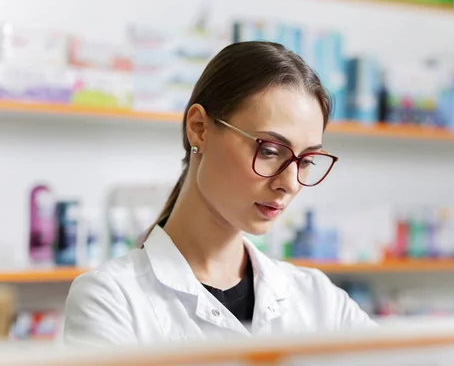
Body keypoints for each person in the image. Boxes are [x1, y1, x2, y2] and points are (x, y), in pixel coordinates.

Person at [63, 41, 376, 347]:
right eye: (269, 151)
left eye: (306, 161)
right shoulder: (111, 299)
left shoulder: (320, 300)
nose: (291, 183)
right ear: (200, 128)